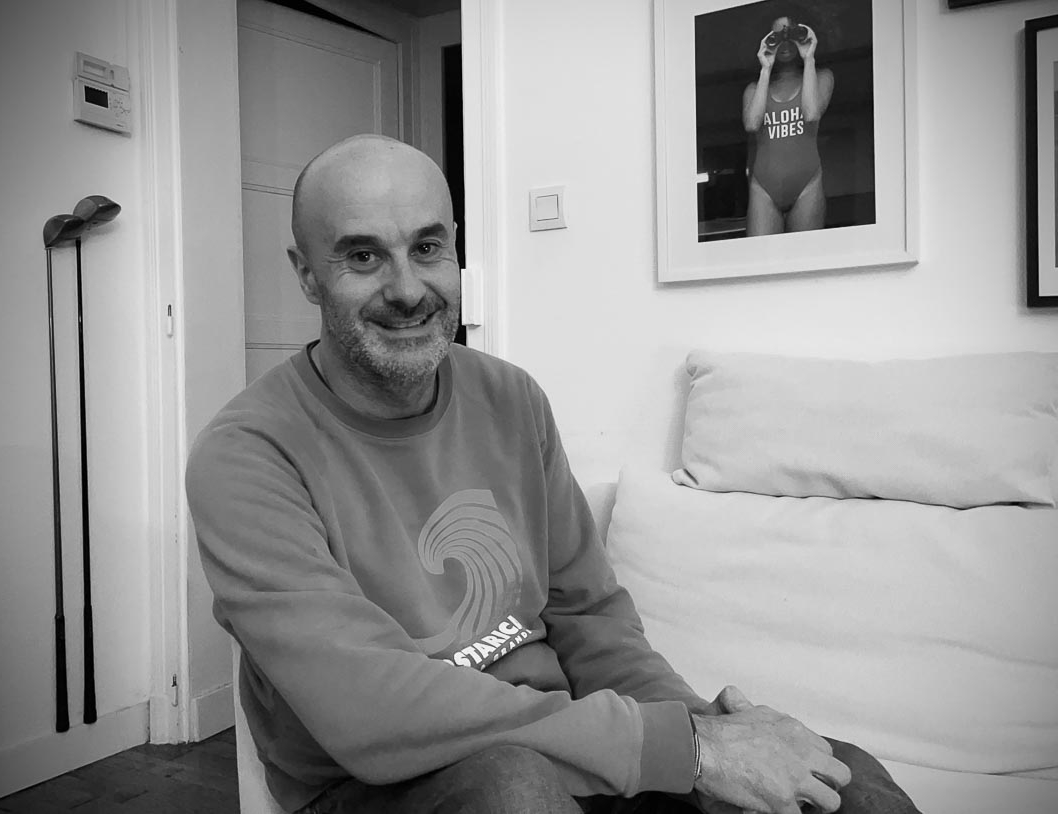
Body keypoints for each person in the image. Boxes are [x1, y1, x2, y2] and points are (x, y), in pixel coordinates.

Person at [186, 135, 920, 814]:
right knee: (513, 788)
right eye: (363, 256)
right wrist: (684, 751)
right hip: (375, 787)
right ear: (307, 275)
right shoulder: (247, 455)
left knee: (843, 780)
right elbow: (366, 709)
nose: (408, 289)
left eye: (428, 248)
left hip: (560, 750)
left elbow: (588, 617)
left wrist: (705, 735)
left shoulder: (510, 398)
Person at [742, 8, 835, 236]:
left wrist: (809, 58)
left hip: (807, 184)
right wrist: (765, 68)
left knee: (807, 256)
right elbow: (752, 124)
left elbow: (812, 113)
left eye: (791, 35)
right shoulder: (754, 88)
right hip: (763, 188)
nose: (784, 43)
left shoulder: (822, 77)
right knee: (760, 257)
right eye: (776, 37)